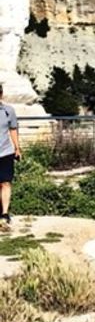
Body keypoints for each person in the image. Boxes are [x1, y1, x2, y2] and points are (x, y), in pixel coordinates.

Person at [0, 85, 21, 228]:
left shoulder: (8, 111)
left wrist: (17, 148)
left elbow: (13, 130)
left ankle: (5, 213)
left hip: (5, 151)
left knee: (5, 182)